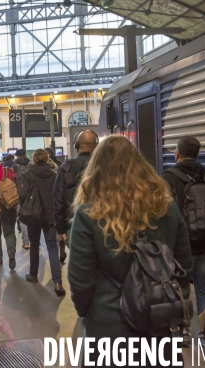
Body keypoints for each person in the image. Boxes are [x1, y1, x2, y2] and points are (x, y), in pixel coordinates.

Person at [68, 136, 193, 366]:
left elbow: (80, 281)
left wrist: (90, 313)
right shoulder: (167, 208)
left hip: (108, 329)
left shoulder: (88, 215)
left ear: (96, 169)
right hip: (158, 324)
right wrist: (169, 306)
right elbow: (184, 266)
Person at [162, 135, 205, 345]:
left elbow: (164, 216)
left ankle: (181, 334)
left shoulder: (168, 178)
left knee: (178, 292)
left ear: (177, 153)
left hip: (181, 249)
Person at [18, 149, 65, 296]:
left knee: (34, 245)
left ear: (33, 159)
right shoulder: (54, 175)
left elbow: (23, 195)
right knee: (52, 248)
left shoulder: (27, 174)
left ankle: (33, 274)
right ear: (46, 159)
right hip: (50, 216)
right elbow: (59, 196)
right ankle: (58, 282)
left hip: (34, 215)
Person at [53, 130, 98, 264]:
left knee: (81, 264)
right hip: (101, 224)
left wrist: (61, 228)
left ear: (76, 145)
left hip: (73, 225)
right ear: (96, 146)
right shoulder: (104, 167)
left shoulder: (66, 168)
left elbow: (58, 199)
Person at [12, 149, 31, 249]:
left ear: (17, 156)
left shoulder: (15, 167)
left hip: (20, 195)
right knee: (33, 217)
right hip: (32, 195)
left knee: (23, 219)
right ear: (25, 155)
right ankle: (35, 239)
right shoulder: (31, 164)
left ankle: (26, 242)